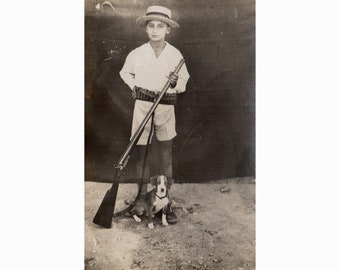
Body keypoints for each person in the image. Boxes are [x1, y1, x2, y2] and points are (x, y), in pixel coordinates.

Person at [119, 5, 190, 224]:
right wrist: (134, 86)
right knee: (142, 153)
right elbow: (124, 72)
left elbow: (184, 82)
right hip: (142, 105)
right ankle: (141, 199)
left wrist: (176, 83)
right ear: (146, 28)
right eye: (151, 26)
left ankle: (166, 203)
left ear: (168, 30)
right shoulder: (137, 53)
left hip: (166, 106)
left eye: (161, 26)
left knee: (165, 154)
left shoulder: (175, 54)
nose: (156, 30)